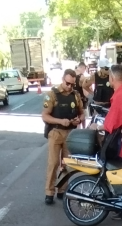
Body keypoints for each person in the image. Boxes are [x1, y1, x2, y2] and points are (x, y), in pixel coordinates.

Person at [41, 69, 84, 205]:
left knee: (66, 164)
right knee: (53, 163)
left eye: (72, 84)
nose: (70, 86)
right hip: (56, 132)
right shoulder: (52, 95)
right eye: (67, 83)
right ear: (62, 79)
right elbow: (45, 116)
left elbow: (82, 113)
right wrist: (60, 121)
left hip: (70, 133)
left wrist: (79, 120)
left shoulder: (76, 95)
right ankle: (49, 192)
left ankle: (62, 189)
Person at [75, 62, 88, 128]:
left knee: (75, 116)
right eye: (84, 69)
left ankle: (77, 130)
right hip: (81, 100)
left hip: (72, 99)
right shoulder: (82, 77)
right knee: (82, 115)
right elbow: (85, 93)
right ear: (83, 68)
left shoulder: (71, 74)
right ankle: (83, 129)